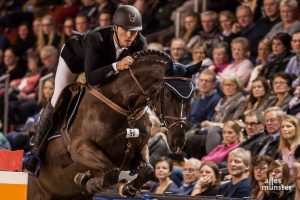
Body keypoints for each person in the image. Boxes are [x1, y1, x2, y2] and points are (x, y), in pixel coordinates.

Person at [23, 5, 147, 176]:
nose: (130, 36)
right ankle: (35, 152)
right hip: (74, 61)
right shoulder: (97, 38)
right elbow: (91, 78)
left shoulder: (140, 43)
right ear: (115, 27)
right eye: (126, 30)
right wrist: (116, 66)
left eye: (134, 31)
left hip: (104, 68)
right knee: (58, 97)